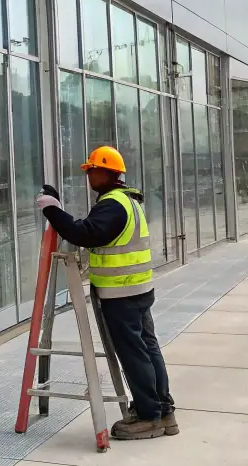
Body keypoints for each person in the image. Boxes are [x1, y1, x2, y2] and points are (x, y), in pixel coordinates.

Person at [34, 146, 177, 441]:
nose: (89, 176)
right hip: (138, 289)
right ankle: (164, 412)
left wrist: (51, 209)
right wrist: (59, 209)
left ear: (107, 173)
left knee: (135, 353)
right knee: (148, 348)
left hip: (121, 293)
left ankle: (150, 417)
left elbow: (84, 233)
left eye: (92, 171)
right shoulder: (129, 201)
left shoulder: (112, 204)